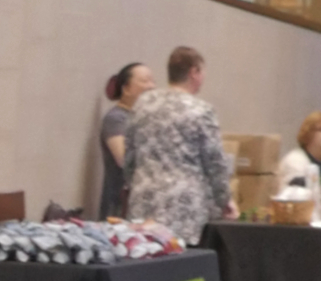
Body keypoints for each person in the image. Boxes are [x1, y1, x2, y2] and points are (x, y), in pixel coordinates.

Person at [123, 44, 232, 245]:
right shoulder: (201, 110)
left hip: (143, 202)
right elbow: (214, 162)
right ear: (194, 72)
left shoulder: (142, 104)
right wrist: (225, 200)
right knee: (180, 269)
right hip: (183, 208)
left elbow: (129, 156)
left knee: (143, 263)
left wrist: (135, 183)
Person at [98, 61, 152, 218]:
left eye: (152, 81)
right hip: (120, 208)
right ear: (126, 88)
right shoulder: (116, 119)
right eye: (144, 81)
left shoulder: (144, 118)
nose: (151, 86)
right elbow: (124, 159)